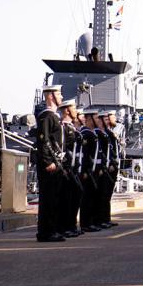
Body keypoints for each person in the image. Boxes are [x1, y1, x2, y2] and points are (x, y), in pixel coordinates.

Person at [34, 85, 66, 242]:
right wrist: (48, 162)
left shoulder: (54, 116)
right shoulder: (46, 116)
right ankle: (45, 232)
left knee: (54, 198)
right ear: (51, 96)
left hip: (56, 163)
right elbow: (43, 140)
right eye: (59, 93)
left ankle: (52, 230)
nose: (61, 96)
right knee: (48, 199)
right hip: (49, 165)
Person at [58, 99, 83, 238]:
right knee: (66, 199)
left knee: (75, 195)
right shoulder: (62, 127)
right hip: (66, 168)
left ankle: (71, 225)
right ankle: (65, 226)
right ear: (67, 110)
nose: (76, 111)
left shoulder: (72, 129)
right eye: (73, 108)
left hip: (73, 168)